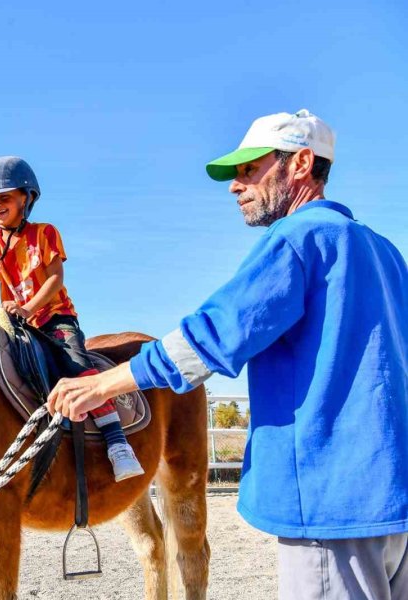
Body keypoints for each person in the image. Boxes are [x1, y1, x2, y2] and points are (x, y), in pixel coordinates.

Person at [47, 110, 408, 599]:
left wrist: (101, 384)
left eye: (250, 169)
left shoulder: (298, 239)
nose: (236, 185)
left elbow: (215, 335)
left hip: (331, 503)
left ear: (302, 163)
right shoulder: (384, 251)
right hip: (394, 498)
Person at [0, 156, 144, 481]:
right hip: (16, 324)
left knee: (77, 367)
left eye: (4, 197)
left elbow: (55, 278)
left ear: (26, 198)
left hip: (54, 318)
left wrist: (27, 308)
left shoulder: (45, 233)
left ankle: (117, 443)